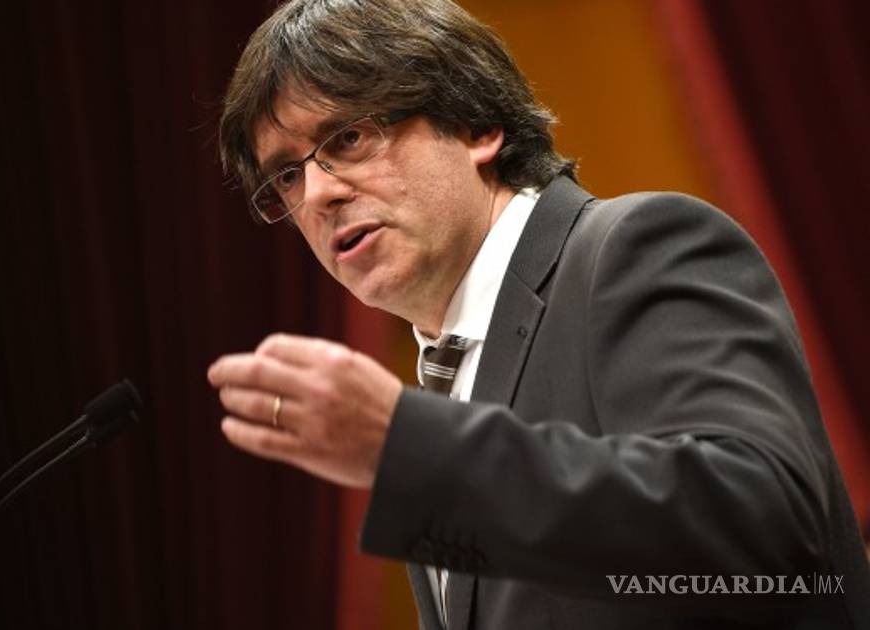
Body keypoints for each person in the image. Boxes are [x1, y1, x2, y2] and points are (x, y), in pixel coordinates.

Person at [205, 0, 870, 627]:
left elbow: (766, 529)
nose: (317, 193)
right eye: (286, 177)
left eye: (349, 137)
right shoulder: (442, 380)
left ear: (476, 127)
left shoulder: (637, 247)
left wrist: (407, 447)